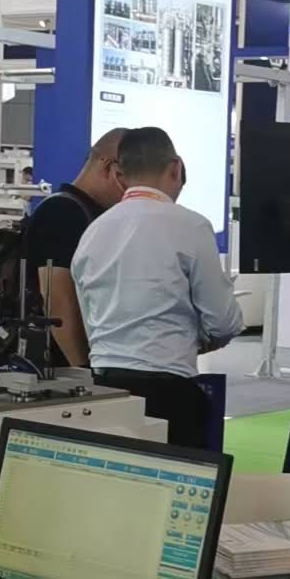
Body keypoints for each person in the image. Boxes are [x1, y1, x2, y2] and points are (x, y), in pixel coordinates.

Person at [72, 126, 243, 449]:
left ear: (119, 175)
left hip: (105, 389)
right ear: (176, 168)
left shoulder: (93, 231)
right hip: (170, 392)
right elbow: (224, 321)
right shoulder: (191, 225)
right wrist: (199, 340)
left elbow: (88, 318)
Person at [24, 129, 126, 369]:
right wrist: (85, 370)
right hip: (57, 370)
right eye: (129, 180)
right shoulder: (63, 212)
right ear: (108, 167)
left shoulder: (91, 214)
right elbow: (57, 302)